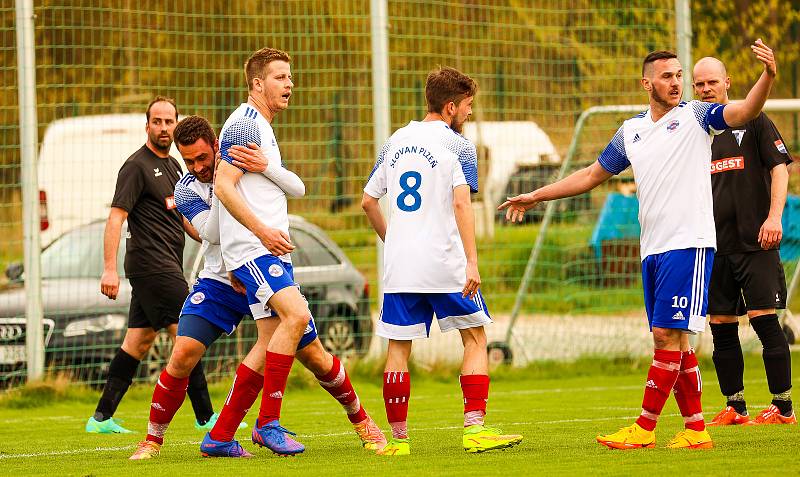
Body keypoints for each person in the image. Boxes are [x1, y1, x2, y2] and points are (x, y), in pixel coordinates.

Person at [499, 40, 778, 449]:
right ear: (646, 83)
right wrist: (537, 195)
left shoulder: (698, 117)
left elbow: (744, 111)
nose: (677, 83)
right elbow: (592, 174)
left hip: (690, 245)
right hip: (653, 250)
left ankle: (644, 429)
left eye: (679, 75)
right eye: (667, 76)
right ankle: (696, 430)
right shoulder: (631, 131)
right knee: (673, 342)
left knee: (667, 335)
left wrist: (767, 76)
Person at [211, 47, 385, 456]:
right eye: (280, 77)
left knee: (307, 352)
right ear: (257, 84)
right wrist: (259, 235)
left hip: (268, 253)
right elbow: (222, 187)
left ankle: (220, 436)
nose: (290, 84)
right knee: (298, 315)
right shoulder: (244, 124)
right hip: (256, 250)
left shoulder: (263, 128)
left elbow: (290, 186)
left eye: (290, 77)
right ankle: (268, 423)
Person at [361, 66, 523, 456]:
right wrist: (472, 261)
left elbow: (368, 200)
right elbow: (462, 201)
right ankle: (475, 430)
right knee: (475, 337)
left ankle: (397, 442)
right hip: (444, 263)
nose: (469, 114)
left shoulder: (395, 141)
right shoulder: (458, 146)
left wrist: (394, 240)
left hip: (400, 267)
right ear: (450, 106)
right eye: (467, 107)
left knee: (398, 348)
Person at [87, 97, 215, 434]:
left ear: (176, 124)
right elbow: (116, 217)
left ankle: (100, 418)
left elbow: (184, 216)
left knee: (138, 342)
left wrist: (212, 237)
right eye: (156, 122)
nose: (163, 128)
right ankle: (207, 418)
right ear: (147, 126)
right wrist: (109, 268)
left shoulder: (175, 165)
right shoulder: (136, 166)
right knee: (189, 334)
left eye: (168, 122)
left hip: (164, 265)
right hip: (152, 266)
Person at [692, 57, 795, 426]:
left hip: (757, 241)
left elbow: (780, 169)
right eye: (699, 84)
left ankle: (783, 407)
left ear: (727, 83)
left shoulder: (753, 120)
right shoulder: (696, 132)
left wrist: (773, 217)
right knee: (721, 324)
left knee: (764, 320)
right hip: (715, 246)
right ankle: (735, 407)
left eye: (712, 82)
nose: (706, 89)